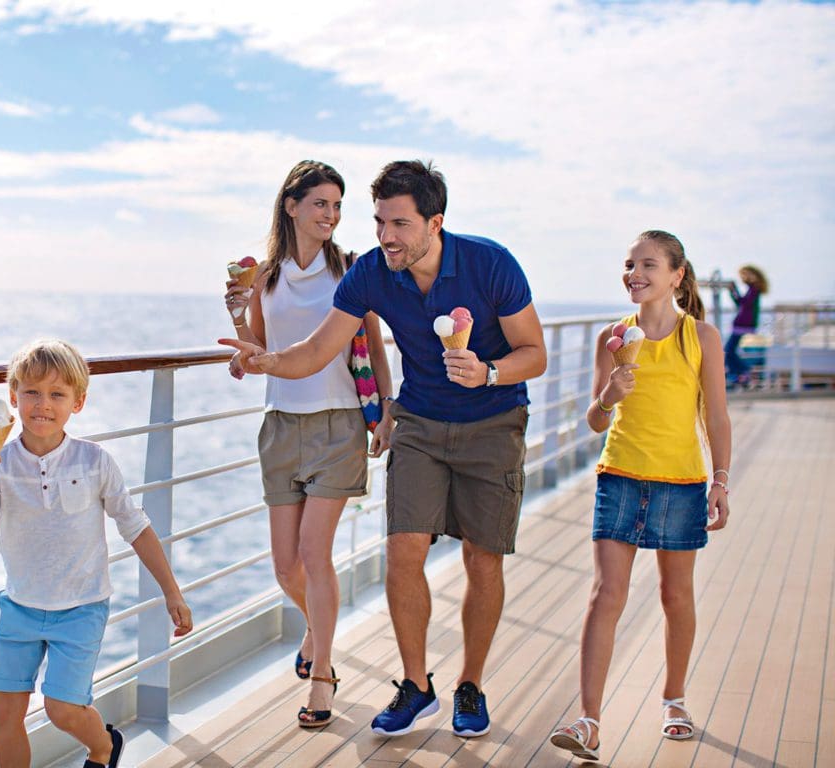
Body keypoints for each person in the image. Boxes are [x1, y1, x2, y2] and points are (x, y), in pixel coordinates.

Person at [221, 160, 546, 739]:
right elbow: (321, 348)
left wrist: (489, 371)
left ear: (435, 222)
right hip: (419, 421)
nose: (385, 236)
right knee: (402, 552)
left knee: (481, 558)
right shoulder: (369, 273)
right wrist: (271, 361)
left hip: (494, 421)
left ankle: (469, 685)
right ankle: (416, 684)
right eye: (378, 222)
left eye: (398, 223)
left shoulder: (490, 263)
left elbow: (534, 354)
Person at [0, 339, 193, 768]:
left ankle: (104, 746)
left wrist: (172, 593)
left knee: (61, 709)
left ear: (78, 402)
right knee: (4, 714)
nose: (42, 405)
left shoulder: (94, 461)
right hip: (19, 607)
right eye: (31, 393)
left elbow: (136, 527)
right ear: (14, 399)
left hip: (81, 607)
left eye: (57, 394)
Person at [548, 231, 732, 762]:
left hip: (681, 482)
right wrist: (610, 394)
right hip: (621, 477)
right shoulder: (613, 335)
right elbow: (594, 420)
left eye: (647, 264)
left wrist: (719, 481)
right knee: (606, 593)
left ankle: (674, 699)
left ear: (676, 275)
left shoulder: (702, 338)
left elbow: (715, 415)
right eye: (629, 264)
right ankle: (589, 722)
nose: (634, 273)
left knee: (676, 596)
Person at [223, 160, 395, 728]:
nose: (331, 214)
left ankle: (322, 676)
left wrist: (385, 408)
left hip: (338, 423)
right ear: (291, 205)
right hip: (280, 426)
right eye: (320, 202)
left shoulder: (349, 268)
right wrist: (238, 321)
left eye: (337, 205)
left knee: (314, 554)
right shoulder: (265, 277)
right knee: (285, 566)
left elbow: (370, 337)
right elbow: (262, 351)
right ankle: (315, 628)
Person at [724, 264, 768, 389]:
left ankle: (744, 371)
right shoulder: (752, 289)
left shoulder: (754, 289)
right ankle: (741, 373)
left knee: (728, 351)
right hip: (742, 325)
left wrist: (734, 290)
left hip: (743, 325)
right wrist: (732, 291)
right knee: (729, 351)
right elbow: (740, 303)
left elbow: (744, 303)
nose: (743, 278)